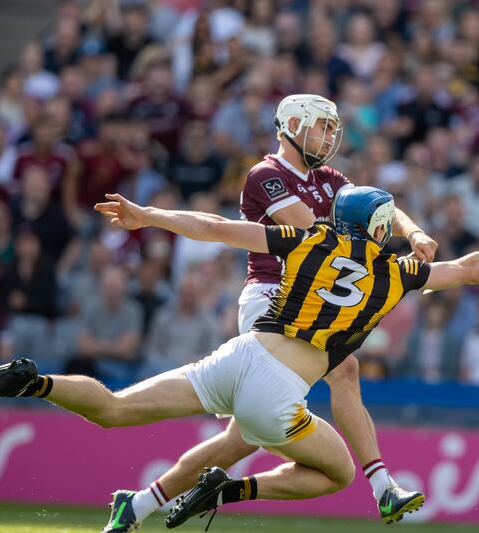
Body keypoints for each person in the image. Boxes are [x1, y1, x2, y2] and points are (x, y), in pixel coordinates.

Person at [0, 186, 479, 533]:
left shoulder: (310, 238)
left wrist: (147, 216)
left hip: (239, 354)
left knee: (115, 409)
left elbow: (218, 228)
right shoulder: (398, 274)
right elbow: (472, 269)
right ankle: (229, 490)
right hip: (279, 394)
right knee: (336, 475)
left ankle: (34, 381)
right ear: (382, 227)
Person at [142, 93, 440, 525]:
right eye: (322, 126)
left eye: (333, 129)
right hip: (272, 295)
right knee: (345, 370)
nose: (329, 136)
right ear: (293, 125)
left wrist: (414, 233)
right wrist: (369, 239)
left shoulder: (330, 177)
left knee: (239, 442)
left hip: (313, 297)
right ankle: (382, 486)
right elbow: (314, 230)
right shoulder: (267, 175)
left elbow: (381, 209)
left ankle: (136, 505)